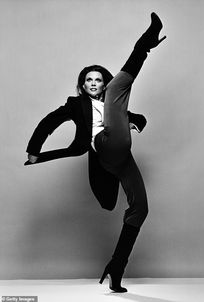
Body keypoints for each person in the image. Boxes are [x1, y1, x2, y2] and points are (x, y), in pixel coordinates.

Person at [25, 12, 166, 292]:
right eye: (88, 79)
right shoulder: (77, 105)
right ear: (82, 85)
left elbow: (138, 117)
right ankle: (146, 44)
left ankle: (116, 267)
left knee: (140, 209)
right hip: (103, 148)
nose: (93, 83)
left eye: (98, 80)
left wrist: (133, 121)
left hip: (123, 156)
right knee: (119, 92)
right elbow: (49, 122)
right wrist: (34, 150)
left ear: (102, 83)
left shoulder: (114, 104)